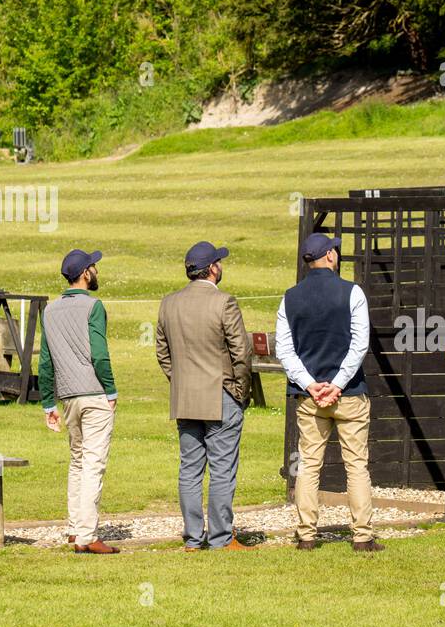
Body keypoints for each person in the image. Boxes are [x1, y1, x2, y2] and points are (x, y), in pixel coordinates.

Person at [275, 233, 379, 552]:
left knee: (308, 465)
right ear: (331, 257)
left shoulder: (290, 297)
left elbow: (285, 350)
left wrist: (310, 384)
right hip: (349, 394)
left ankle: (307, 534)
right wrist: (338, 383)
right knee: (356, 465)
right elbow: (360, 344)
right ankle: (362, 536)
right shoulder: (353, 292)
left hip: (309, 397)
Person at [155, 241, 253, 551]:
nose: (221, 266)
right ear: (211, 268)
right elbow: (242, 353)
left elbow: (162, 352)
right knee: (222, 469)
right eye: (219, 262)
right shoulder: (225, 302)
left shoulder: (168, 303)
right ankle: (222, 538)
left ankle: (194, 538)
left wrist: (180, 380)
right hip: (221, 394)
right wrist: (240, 391)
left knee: (190, 469)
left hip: (186, 398)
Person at [38, 249, 119, 554]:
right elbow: (99, 353)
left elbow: (45, 361)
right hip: (94, 393)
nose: (96, 269)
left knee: (77, 461)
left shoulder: (49, 310)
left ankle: (74, 529)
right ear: (85, 273)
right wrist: (111, 390)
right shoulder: (94, 306)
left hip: (68, 396)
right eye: (94, 266)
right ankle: (87, 536)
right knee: (93, 464)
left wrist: (48, 404)